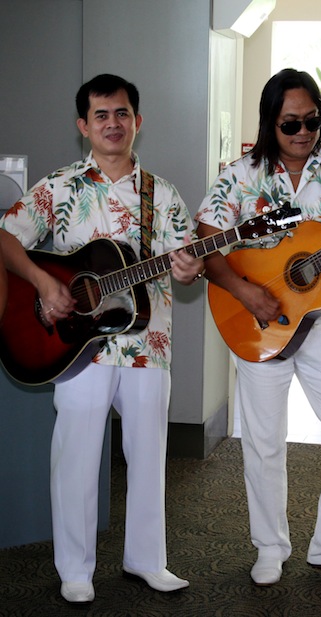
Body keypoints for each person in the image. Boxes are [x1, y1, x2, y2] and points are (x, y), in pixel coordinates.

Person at [0, 74, 203, 603]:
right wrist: (45, 282)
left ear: (138, 121)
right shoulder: (59, 185)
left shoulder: (163, 194)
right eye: (101, 115)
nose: (112, 123)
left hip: (148, 344)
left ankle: (147, 561)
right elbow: (5, 236)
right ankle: (74, 570)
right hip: (75, 348)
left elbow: (187, 261)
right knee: (77, 456)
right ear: (82, 126)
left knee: (148, 454)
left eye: (122, 113)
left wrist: (187, 269)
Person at [196, 68, 321, 587]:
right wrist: (244, 291)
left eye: (312, 121)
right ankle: (269, 548)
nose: (304, 131)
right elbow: (207, 242)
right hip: (257, 321)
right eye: (291, 123)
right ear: (270, 123)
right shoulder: (240, 174)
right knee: (264, 440)